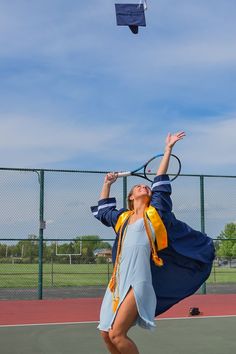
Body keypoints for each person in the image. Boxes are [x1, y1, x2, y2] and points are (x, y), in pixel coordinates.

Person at [91, 132, 215, 354]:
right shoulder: (122, 219)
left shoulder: (155, 213)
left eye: (146, 187)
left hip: (138, 280)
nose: (144, 187)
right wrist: (107, 183)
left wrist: (168, 150)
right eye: (139, 186)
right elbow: (103, 211)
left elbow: (160, 181)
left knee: (117, 335)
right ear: (130, 197)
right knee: (105, 334)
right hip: (117, 281)